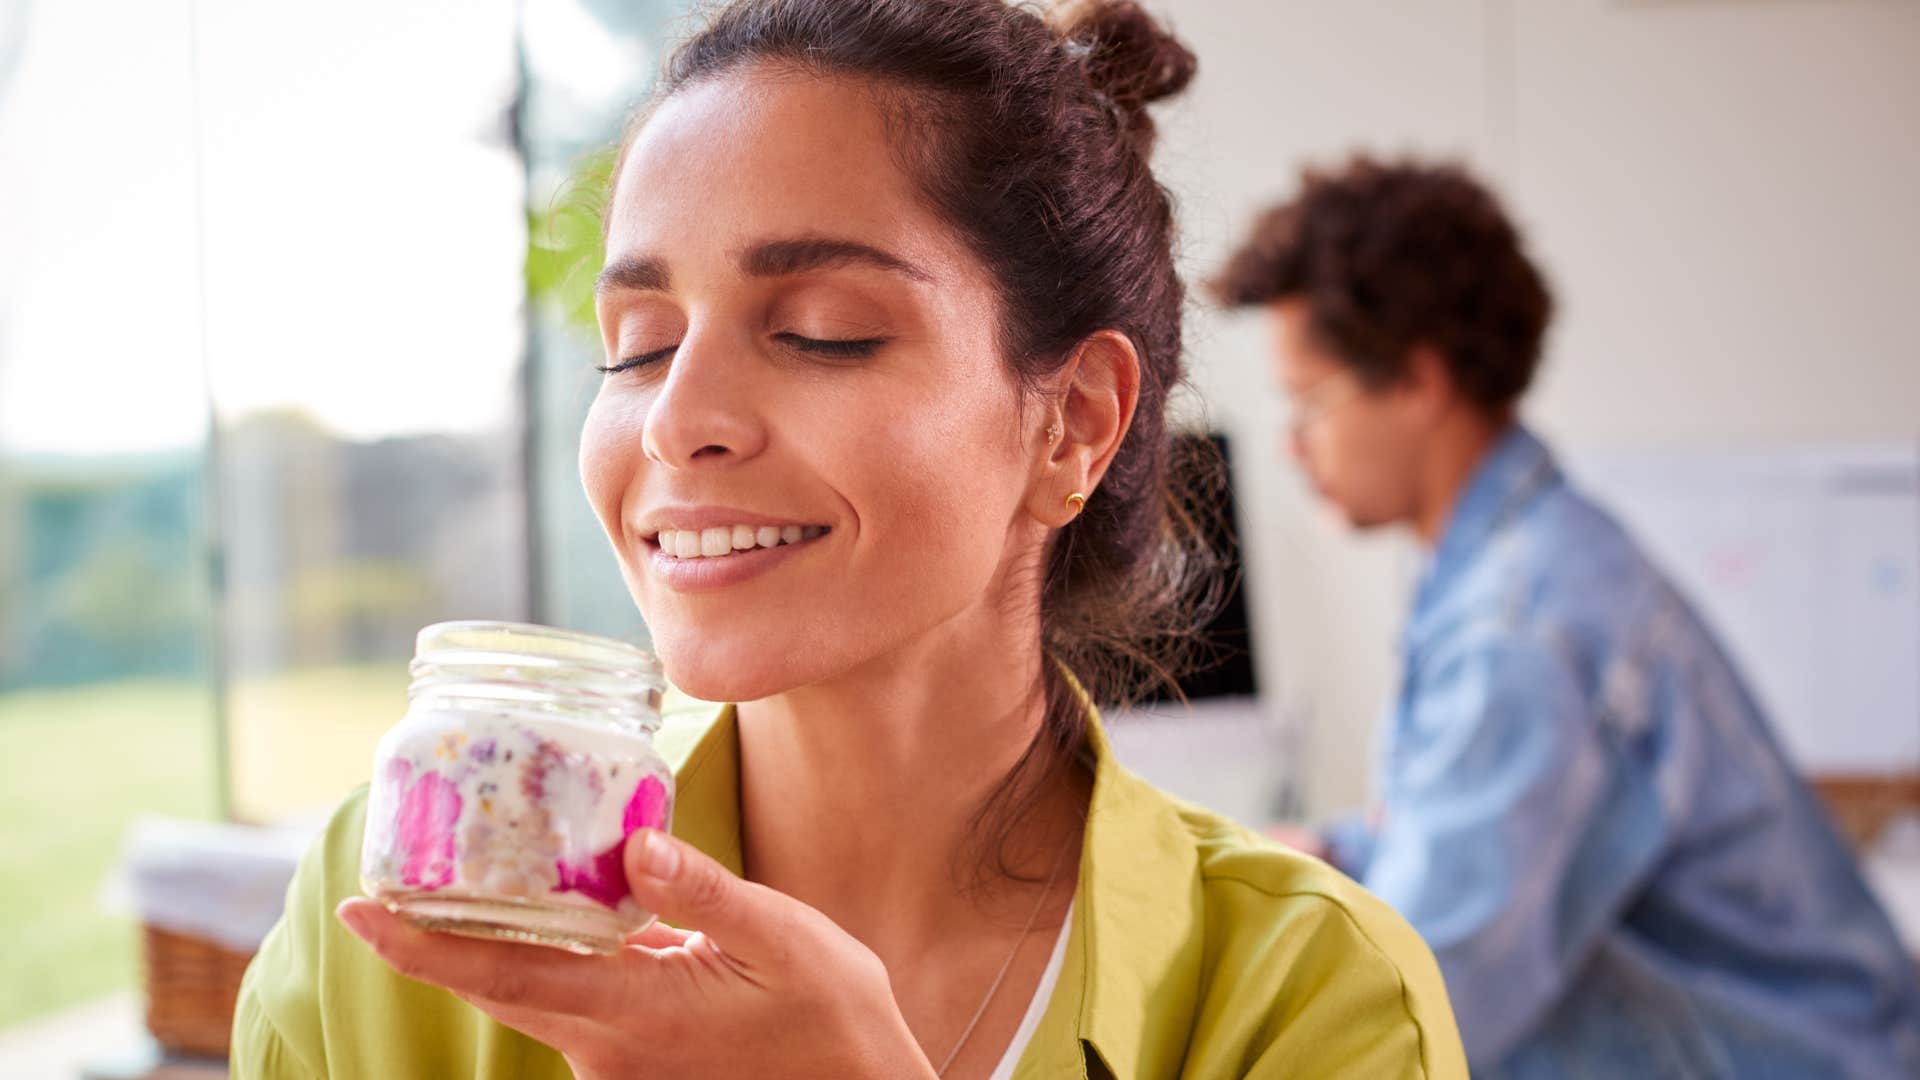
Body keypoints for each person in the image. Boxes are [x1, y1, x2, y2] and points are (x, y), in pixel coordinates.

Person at [230, 5, 1468, 1078]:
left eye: (822, 331)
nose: (676, 420)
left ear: (1073, 424)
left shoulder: (1311, 997)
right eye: (638, 343)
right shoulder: (410, 894)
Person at [1215, 155, 1920, 1078]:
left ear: (1420, 383)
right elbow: (1472, 841)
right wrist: (1333, 852)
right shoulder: (1510, 565)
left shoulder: (1526, 625)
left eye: (1310, 401)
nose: (1293, 444)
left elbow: (1421, 1009)